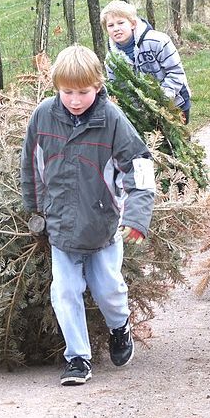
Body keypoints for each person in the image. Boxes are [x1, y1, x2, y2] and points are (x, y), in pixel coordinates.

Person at [20, 45, 155, 386]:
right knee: (64, 290)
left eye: (83, 92)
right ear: (56, 88)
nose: (76, 100)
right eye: (68, 92)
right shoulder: (43, 117)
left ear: (98, 86)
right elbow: (31, 166)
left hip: (104, 225)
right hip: (61, 226)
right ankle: (77, 358)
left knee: (108, 288)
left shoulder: (111, 120)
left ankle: (120, 327)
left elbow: (139, 167)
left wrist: (136, 218)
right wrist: (35, 211)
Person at [101, 0, 192, 124]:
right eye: (111, 25)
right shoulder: (112, 60)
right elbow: (120, 89)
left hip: (176, 100)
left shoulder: (157, 41)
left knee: (179, 138)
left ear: (132, 23)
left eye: (121, 23)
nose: (116, 29)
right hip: (143, 112)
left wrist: (162, 99)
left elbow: (175, 72)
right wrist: (140, 109)